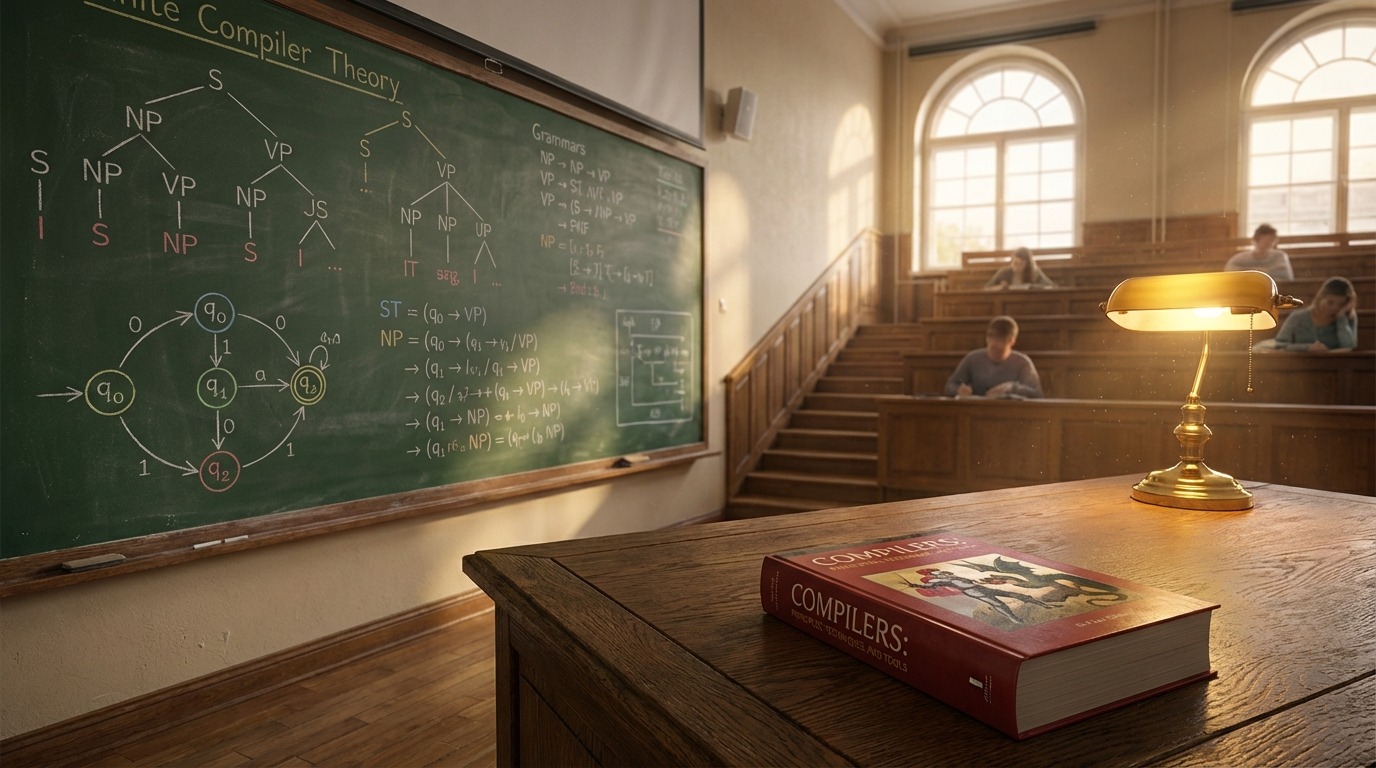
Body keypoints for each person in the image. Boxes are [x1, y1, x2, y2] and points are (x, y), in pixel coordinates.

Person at [944, 315, 1044, 398]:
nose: (994, 344)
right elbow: (950, 386)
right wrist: (959, 390)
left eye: (1000, 341)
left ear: (1011, 341)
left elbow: (1037, 394)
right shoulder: (972, 358)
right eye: (991, 338)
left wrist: (1011, 388)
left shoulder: (1022, 362)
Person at [1255, 276, 1358, 352]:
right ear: (1321, 298)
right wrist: (1307, 347)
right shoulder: (1298, 317)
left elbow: (1349, 346)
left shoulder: (1346, 318)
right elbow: (1279, 344)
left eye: (1341, 304)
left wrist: (1341, 318)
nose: (1335, 308)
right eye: (1330, 302)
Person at [1225, 223, 1294, 281]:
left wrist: (1261, 273)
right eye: (1264, 240)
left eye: (1271, 240)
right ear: (1255, 241)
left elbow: (1287, 277)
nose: (1268, 243)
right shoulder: (1239, 259)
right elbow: (1229, 273)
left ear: (1275, 242)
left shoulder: (1280, 256)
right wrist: (1255, 271)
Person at [985, 247, 1056, 290]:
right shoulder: (1004, 271)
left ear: (1027, 265)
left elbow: (1051, 287)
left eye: (1021, 264)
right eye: (1015, 263)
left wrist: (1031, 287)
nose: (1017, 267)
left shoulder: (1035, 272)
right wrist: (1000, 287)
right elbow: (986, 288)